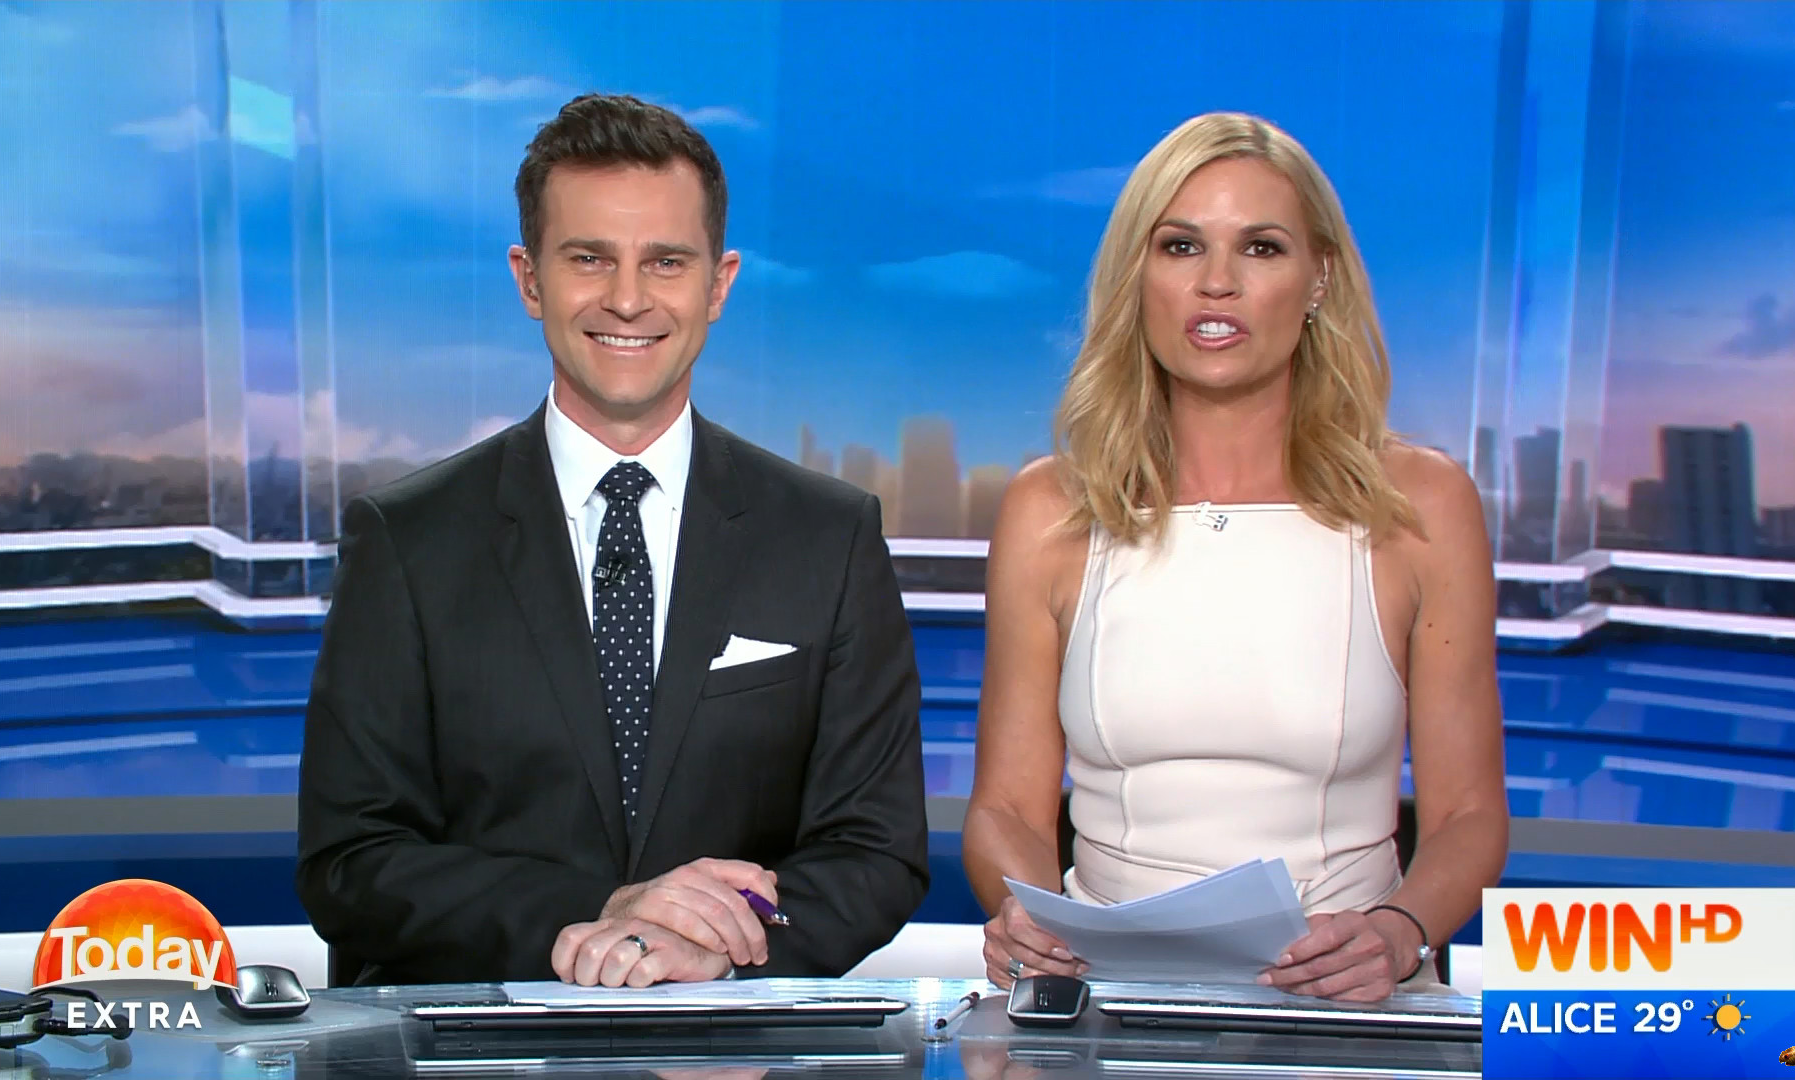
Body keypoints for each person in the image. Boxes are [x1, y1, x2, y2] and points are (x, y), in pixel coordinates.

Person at [296, 94, 930, 987]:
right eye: (589, 258)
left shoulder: (829, 536)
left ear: (719, 284)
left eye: (665, 262)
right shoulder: (406, 539)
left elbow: (875, 849)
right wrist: (603, 911)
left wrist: (714, 943)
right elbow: (350, 862)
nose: (628, 300)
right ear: (529, 279)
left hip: (733, 1036)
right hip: (482, 1036)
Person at [961, 112, 1508, 1002]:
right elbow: (1007, 809)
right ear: (1138, 275)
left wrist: (1400, 931)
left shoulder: (1421, 506)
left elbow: (1468, 815)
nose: (1217, 282)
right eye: (1180, 246)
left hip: (1346, 998)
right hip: (1105, 995)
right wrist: (1025, 913)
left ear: (1319, 277)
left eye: (1261, 248)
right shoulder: (1050, 508)